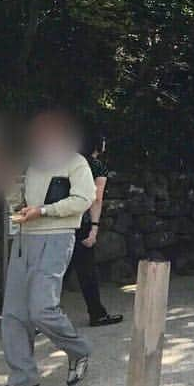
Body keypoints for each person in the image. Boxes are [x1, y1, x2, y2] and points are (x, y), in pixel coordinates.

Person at [0, 109, 95, 386]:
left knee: (42, 308)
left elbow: (85, 198)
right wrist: (8, 186)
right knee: (12, 314)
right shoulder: (32, 164)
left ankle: (78, 350)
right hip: (25, 240)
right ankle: (23, 379)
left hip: (56, 238)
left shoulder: (75, 162)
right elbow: (19, 203)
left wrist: (45, 211)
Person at [64, 139, 122, 327]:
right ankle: (96, 312)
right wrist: (94, 227)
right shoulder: (96, 166)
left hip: (59, 219)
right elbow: (96, 199)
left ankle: (38, 317)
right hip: (81, 221)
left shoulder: (64, 162)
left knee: (56, 272)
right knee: (87, 271)